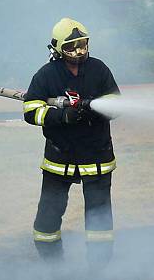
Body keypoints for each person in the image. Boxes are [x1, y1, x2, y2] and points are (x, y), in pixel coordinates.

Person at [23, 18, 120, 266]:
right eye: (71, 47)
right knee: (48, 218)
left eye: (83, 45)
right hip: (59, 158)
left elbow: (116, 104)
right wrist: (61, 115)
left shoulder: (99, 70)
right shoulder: (45, 76)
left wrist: (93, 109)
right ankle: (53, 267)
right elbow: (31, 111)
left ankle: (100, 269)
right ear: (57, 48)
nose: (79, 52)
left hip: (96, 156)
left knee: (100, 220)